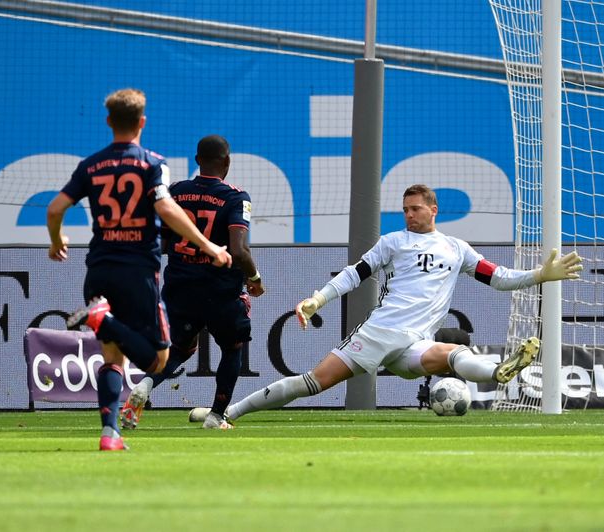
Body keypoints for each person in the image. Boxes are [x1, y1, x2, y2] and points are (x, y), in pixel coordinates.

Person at [225, 183, 583, 422]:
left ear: (433, 210)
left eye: (415, 209)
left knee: (448, 354)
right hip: (382, 331)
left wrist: (539, 275)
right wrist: (318, 299)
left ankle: (498, 371)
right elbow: (355, 273)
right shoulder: (393, 241)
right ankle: (227, 413)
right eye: (405, 209)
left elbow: (499, 277)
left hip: (415, 340)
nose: (409, 215)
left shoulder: (456, 249)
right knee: (312, 382)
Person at [47, 89, 232, 451]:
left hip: (98, 268)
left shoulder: (91, 165)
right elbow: (165, 209)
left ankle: (109, 433)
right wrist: (208, 245)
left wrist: (56, 241)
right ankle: (103, 320)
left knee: (111, 356)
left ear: (108, 122)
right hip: (138, 271)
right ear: (142, 122)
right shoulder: (151, 164)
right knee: (159, 357)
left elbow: (55, 209)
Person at [119, 134, 264, 430]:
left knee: (181, 349)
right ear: (227, 161)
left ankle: (145, 386)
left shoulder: (176, 192)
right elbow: (238, 251)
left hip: (180, 287)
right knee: (232, 349)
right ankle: (215, 416)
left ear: (197, 160)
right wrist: (255, 279)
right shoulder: (236, 197)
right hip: (220, 290)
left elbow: (158, 242)